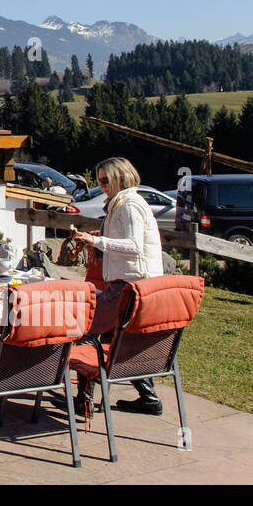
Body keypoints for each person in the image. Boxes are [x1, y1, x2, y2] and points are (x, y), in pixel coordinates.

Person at [71, 156, 165, 415]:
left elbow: (134, 246)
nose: (101, 185)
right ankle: (148, 397)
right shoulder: (125, 204)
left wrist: (97, 242)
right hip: (134, 285)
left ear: (120, 178)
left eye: (105, 180)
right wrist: (98, 239)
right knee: (117, 339)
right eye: (99, 180)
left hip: (128, 286)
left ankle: (84, 400)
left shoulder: (127, 205)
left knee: (87, 329)